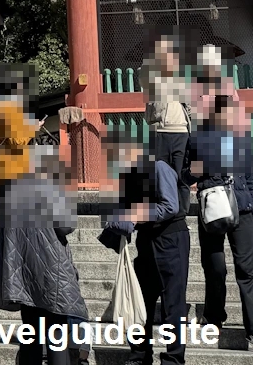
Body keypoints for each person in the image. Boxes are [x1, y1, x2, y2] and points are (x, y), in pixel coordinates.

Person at [0, 144, 87, 365]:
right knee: (56, 330)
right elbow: (66, 225)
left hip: (22, 270)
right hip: (51, 266)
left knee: (31, 331)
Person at [99, 130, 190, 365]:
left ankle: (173, 358)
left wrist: (138, 214)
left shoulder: (159, 168)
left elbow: (171, 206)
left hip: (171, 239)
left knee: (173, 304)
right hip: (146, 243)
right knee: (140, 300)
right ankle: (140, 354)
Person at [187, 94, 253, 342]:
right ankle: (214, 317)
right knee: (214, 267)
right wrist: (198, 169)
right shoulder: (195, 140)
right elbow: (186, 175)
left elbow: (250, 174)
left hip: (243, 208)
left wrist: (250, 201)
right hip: (212, 206)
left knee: (247, 270)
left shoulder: (241, 137)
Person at [144, 32, 191, 176]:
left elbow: (189, 104)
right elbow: (149, 108)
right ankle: (165, 199)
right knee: (161, 175)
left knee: (181, 176)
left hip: (179, 131)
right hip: (160, 132)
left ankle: (182, 200)